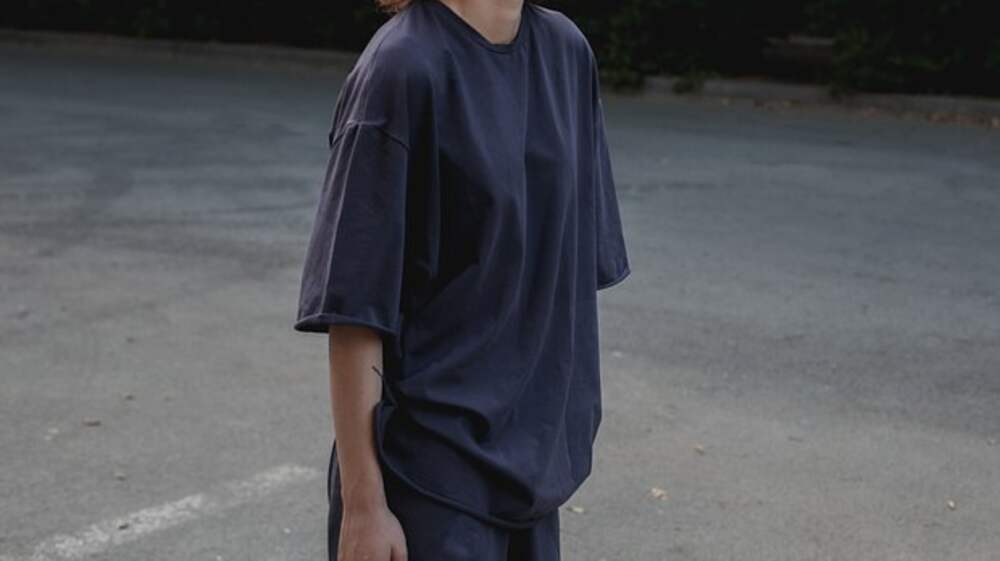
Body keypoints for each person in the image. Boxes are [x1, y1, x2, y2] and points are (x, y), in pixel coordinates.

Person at [292, 0, 631, 559]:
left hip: (533, 475)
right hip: (429, 484)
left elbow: (566, 274)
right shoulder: (400, 69)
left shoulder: (567, 54)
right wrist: (364, 505)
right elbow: (355, 310)